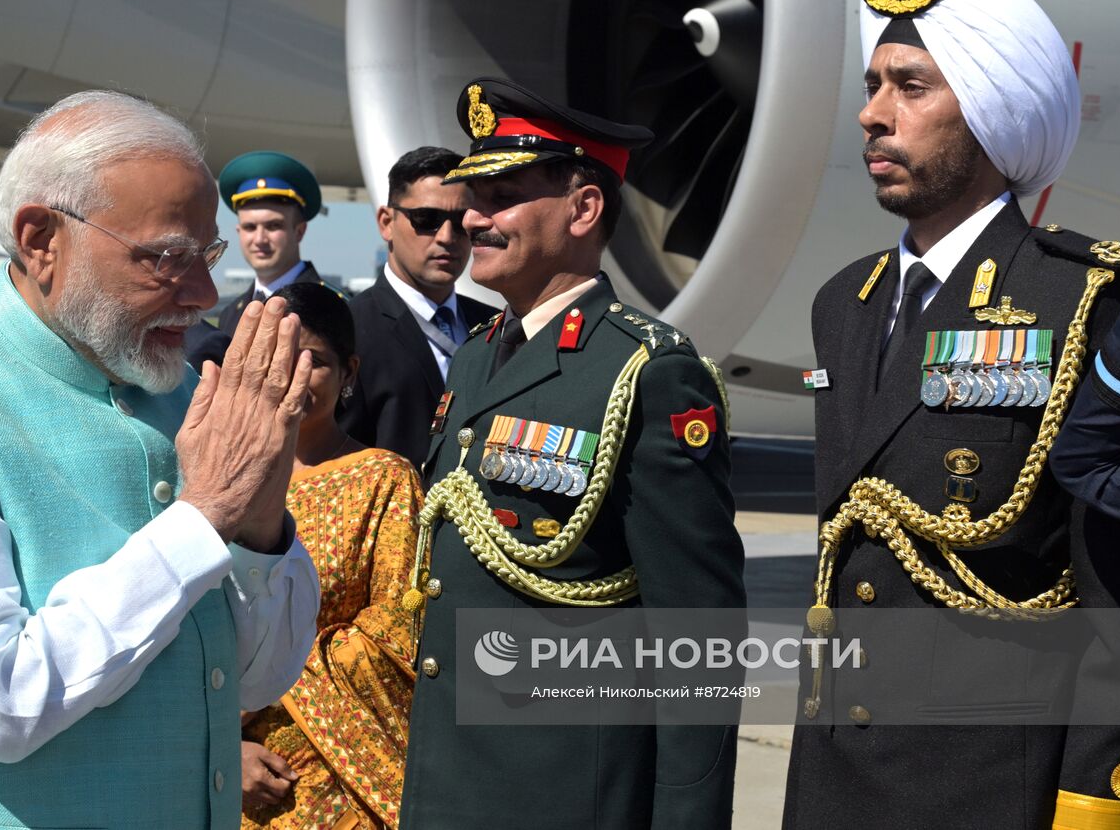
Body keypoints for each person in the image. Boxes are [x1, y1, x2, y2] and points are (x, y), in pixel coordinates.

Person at [0, 90, 321, 829]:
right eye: (167, 259)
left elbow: (255, 678)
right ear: (41, 237)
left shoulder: (173, 396)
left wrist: (258, 520)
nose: (205, 296)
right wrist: (203, 518)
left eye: (207, 256)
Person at [784, 0, 1120, 828]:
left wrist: (1104, 796)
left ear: (991, 113)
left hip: (990, 784)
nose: (874, 115)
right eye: (872, 86)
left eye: (912, 88)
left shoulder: (1084, 298)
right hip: (836, 773)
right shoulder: (846, 301)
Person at [397, 78, 744, 828]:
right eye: (470, 197)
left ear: (584, 208)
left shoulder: (647, 371)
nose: (471, 219)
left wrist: (686, 818)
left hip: (561, 795)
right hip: (448, 782)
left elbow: (700, 631)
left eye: (502, 195)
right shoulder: (475, 357)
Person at [239, 282, 423, 829]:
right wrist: (221, 740)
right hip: (234, 777)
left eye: (313, 361)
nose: (293, 377)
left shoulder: (384, 480)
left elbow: (399, 631)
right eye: (276, 358)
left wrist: (257, 689)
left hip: (344, 780)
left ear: (349, 373)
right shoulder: (221, 482)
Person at [338, 146, 499, 467]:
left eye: (461, 221)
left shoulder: (496, 325)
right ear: (386, 222)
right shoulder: (349, 331)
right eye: (427, 219)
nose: (447, 236)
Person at [185, 150, 325, 369]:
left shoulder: (328, 306)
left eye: (273, 226)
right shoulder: (231, 312)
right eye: (250, 227)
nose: (260, 239)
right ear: (238, 231)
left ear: (299, 231)